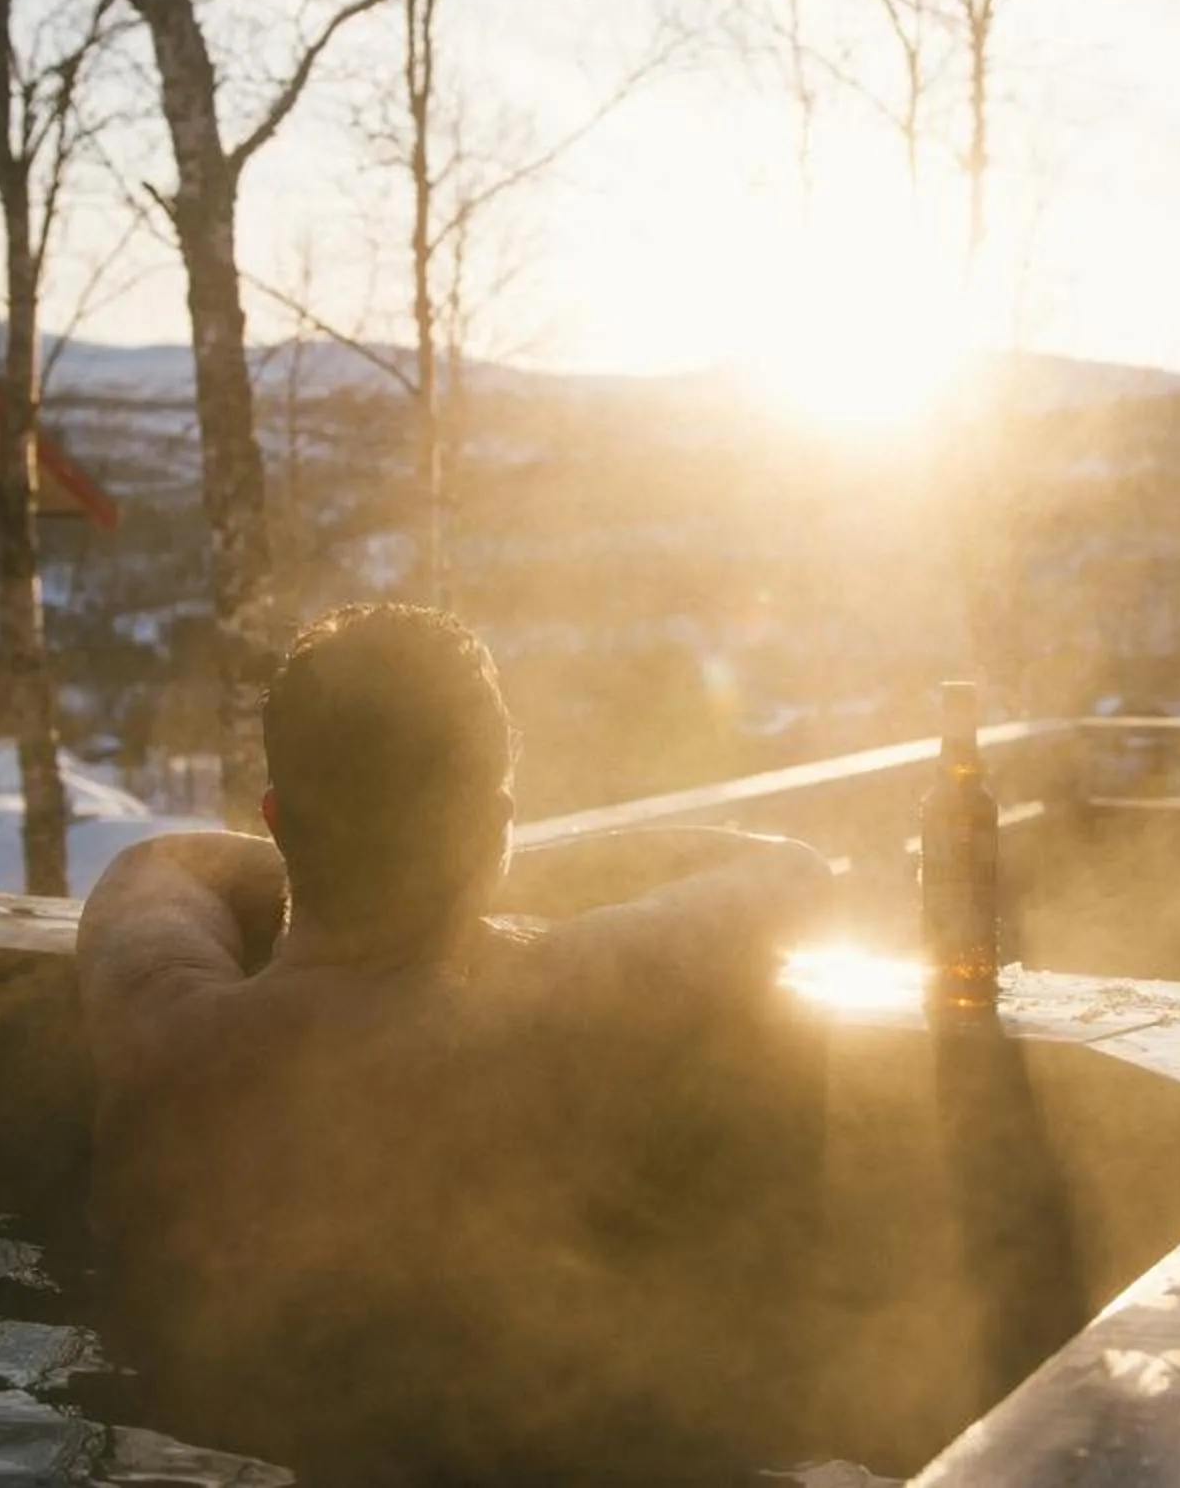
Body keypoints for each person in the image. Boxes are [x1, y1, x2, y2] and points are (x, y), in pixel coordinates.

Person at [77, 604, 832, 1484]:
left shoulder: (162, 1030)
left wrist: (359, 839)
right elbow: (792, 874)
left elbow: (160, 864)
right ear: (491, 823)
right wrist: (482, 860)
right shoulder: (546, 1014)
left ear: (278, 818)